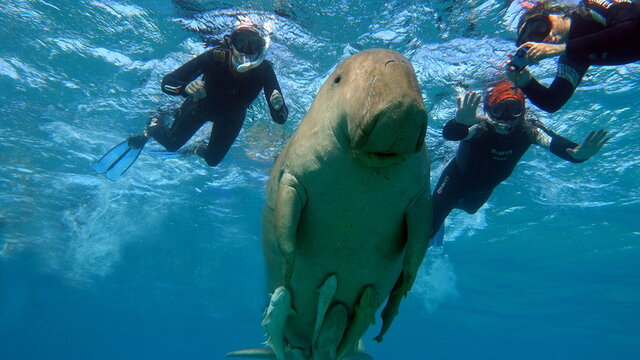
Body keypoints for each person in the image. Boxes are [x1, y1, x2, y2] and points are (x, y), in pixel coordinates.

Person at [431, 81, 609, 243]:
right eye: (499, 110)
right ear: (489, 109)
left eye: (514, 110)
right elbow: (451, 135)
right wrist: (459, 123)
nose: (506, 118)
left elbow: (556, 143)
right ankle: (434, 221)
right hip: (455, 181)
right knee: (431, 223)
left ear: (522, 112)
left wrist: (577, 154)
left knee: (469, 209)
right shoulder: (480, 127)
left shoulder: (529, 131)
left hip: (483, 189)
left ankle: (442, 218)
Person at [145, 23, 289, 166]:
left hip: (231, 118)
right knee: (171, 144)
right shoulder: (215, 57)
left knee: (212, 160)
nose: (245, 50)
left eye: (253, 45)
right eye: (240, 42)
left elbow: (280, 119)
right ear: (231, 44)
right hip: (200, 107)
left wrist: (277, 108)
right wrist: (185, 89)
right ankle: (154, 122)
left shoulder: (264, 70)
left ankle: (197, 148)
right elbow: (167, 83)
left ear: (260, 49)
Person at [507, 0, 640, 112]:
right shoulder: (572, 57)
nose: (543, 38)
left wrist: (562, 48)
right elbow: (552, 102)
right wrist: (526, 83)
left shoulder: (589, 8)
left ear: (555, 12)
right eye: (534, 40)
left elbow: (635, 28)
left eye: (539, 27)